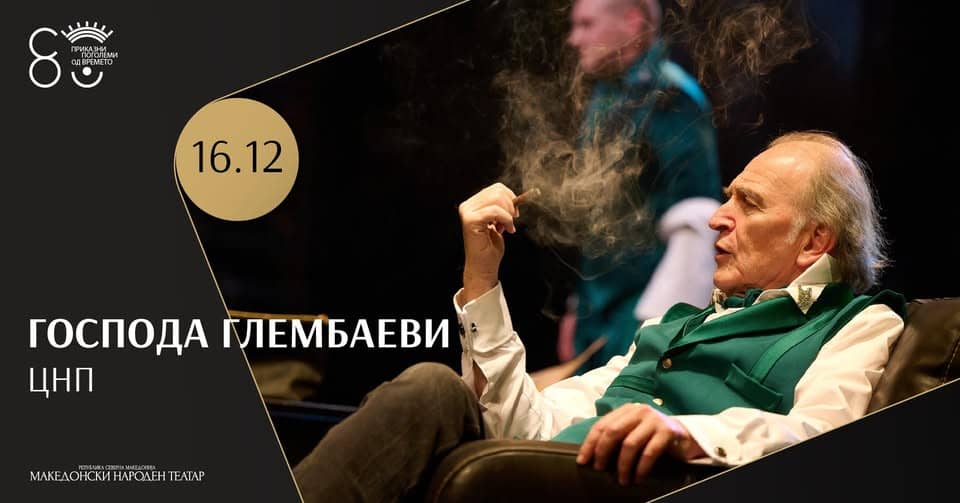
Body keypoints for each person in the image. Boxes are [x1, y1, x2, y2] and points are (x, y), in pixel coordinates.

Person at [292, 132, 904, 502]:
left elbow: (824, 435)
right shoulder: (677, 326)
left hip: (640, 485)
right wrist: (482, 277)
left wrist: (687, 434)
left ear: (814, 241)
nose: (718, 217)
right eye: (728, 198)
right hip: (555, 468)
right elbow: (525, 427)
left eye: (748, 203)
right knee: (435, 387)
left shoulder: (860, 324)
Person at [560, 0, 723, 371]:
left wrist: (659, 324)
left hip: (642, 311)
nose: (574, 39)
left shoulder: (671, 97)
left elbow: (699, 219)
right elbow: (600, 218)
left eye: (586, 24)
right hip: (598, 306)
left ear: (632, 22)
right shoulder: (606, 93)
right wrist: (577, 307)